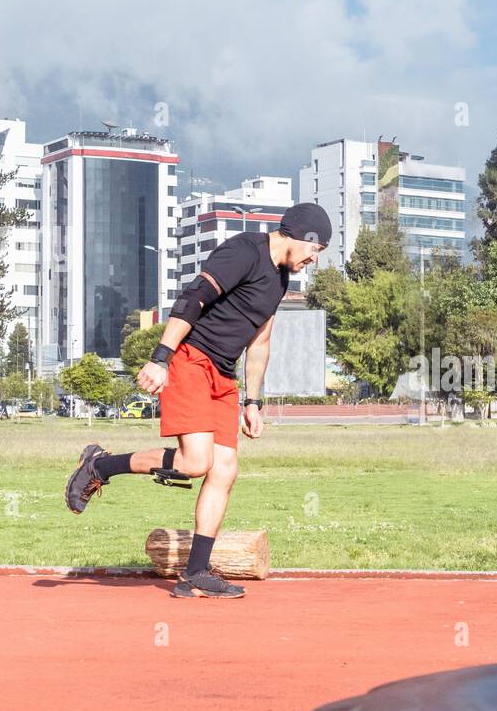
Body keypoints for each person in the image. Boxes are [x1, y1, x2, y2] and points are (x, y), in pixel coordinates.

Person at [65, 203, 331, 598]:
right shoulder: (244, 251)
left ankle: (196, 573)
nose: (313, 258)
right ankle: (100, 466)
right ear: (297, 236)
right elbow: (192, 299)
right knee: (196, 462)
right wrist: (160, 359)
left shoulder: (279, 281)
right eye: (315, 249)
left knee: (225, 468)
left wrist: (253, 402)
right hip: (191, 360)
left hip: (223, 376)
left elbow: (260, 341)